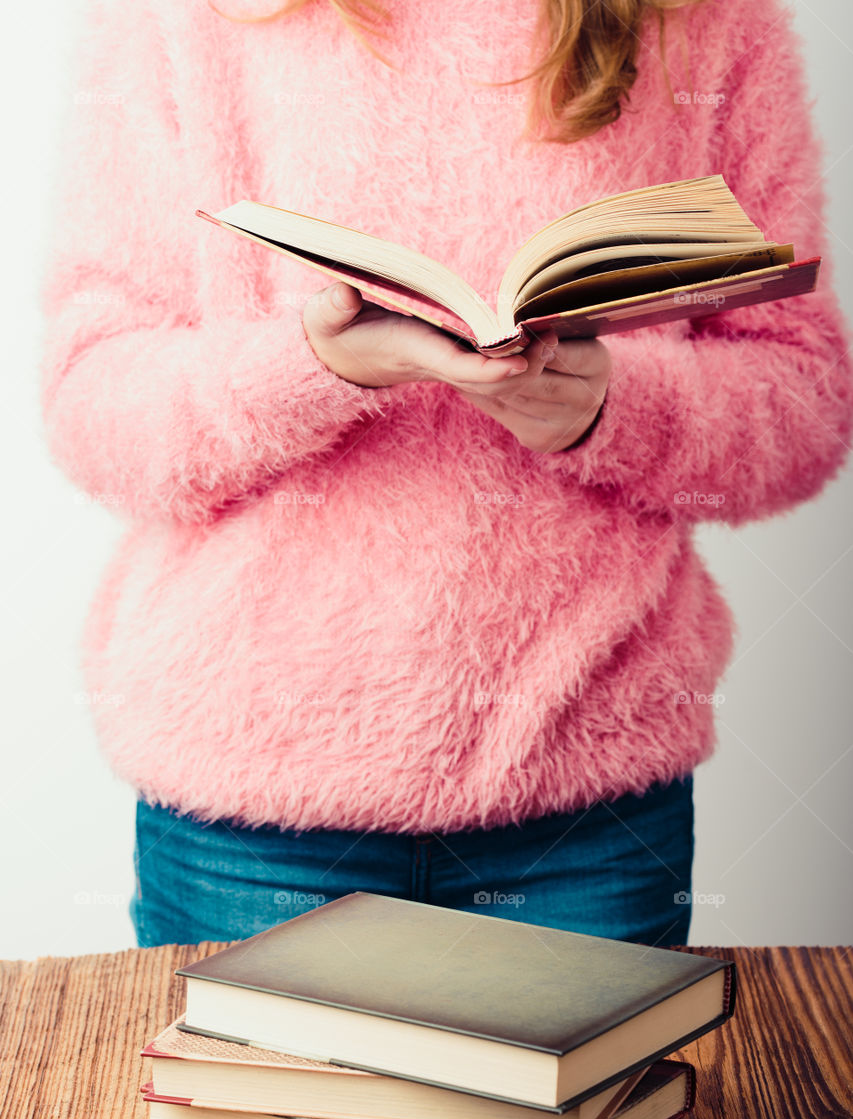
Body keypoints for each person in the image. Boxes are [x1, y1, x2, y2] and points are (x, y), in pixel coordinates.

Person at [39, 0, 851, 949]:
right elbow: (92, 404)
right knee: (269, 1106)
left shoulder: (710, 18)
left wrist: (611, 409)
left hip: (588, 814)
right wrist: (314, 370)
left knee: (583, 1106)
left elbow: (801, 401)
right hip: (248, 817)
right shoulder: (178, 18)